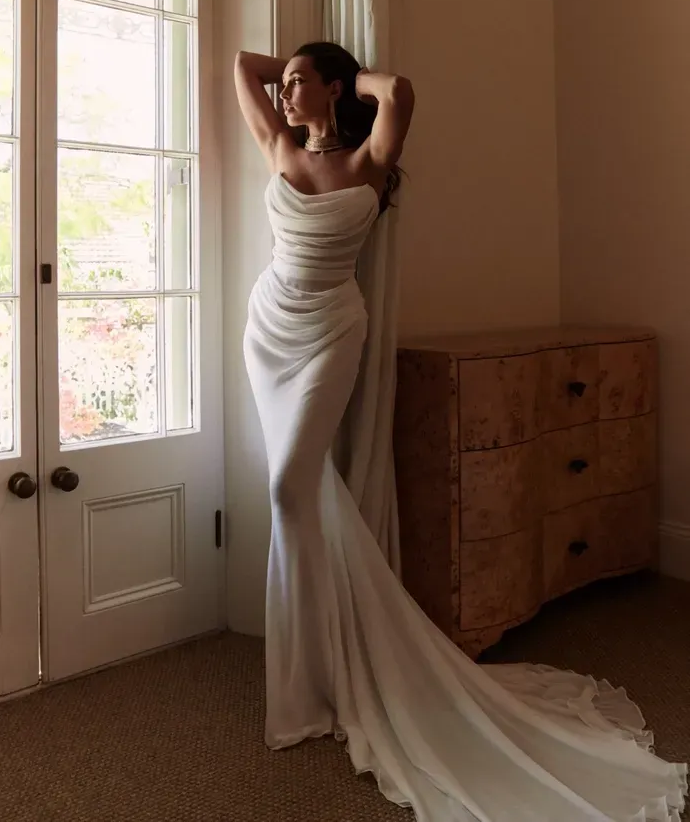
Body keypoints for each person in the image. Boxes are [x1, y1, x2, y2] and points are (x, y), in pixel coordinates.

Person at [235, 41, 686, 822]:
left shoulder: (369, 159)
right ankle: (312, 670)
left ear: (336, 88)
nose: (284, 93)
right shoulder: (276, 143)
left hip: (330, 335)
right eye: (287, 85)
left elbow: (399, 91)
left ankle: (334, 661)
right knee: (302, 494)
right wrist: (290, 71)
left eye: (302, 82)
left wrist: (346, 83)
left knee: (290, 486)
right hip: (268, 328)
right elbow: (244, 65)